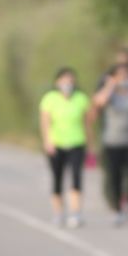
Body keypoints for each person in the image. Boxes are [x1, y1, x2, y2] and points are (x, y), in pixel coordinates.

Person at [93, 49, 128, 226]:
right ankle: (118, 209)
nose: (123, 76)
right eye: (119, 72)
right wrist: (111, 85)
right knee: (115, 176)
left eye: (126, 71)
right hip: (112, 140)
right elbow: (98, 102)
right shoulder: (107, 87)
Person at [39, 68, 94, 228]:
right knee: (57, 178)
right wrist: (47, 141)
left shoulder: (81, 99)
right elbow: (45, 122)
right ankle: (58, 213)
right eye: (64, 81)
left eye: (70, 81)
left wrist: (91, 145)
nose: (67, 84)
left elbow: (87, 124)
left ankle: (76, 213)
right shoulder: (49, 99)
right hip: (56, 144)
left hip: (77, 143)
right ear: (57, 82)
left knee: (76, 177)